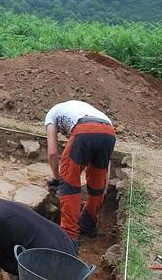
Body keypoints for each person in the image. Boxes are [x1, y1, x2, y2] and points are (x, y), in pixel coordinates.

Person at [44, 100, 116, 241]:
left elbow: (52, 152)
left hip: (84, 129)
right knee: (96, 185)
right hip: (109, 132)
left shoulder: (51, 115)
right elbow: (106, 164)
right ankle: (88, 224)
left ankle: (69, 236)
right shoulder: (84, 110)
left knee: (69, 184)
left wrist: (58, 180)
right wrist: (103, 190)